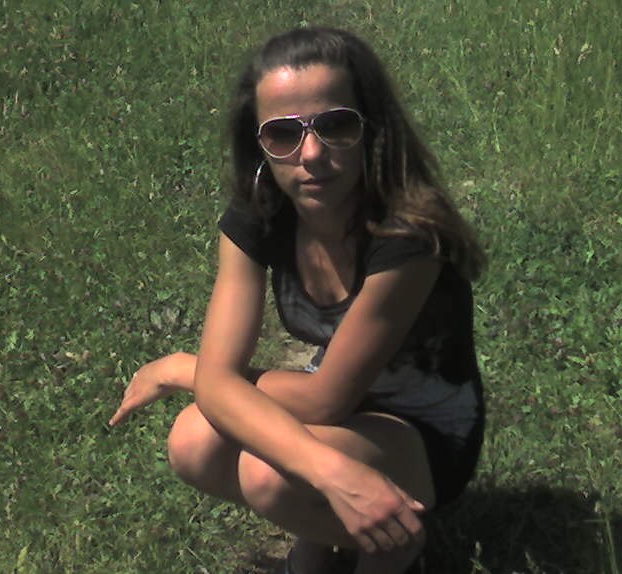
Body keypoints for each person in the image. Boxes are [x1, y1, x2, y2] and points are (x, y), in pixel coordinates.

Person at [109, 27, 486, 574]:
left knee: (268, 472)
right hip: (342, 411)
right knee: (193, 440)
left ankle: (397, 544)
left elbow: (325, 401)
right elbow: (226, 385)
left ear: (371, 128)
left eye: (336, 126)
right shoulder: (260, 216)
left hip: (422, 435)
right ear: (258, 143)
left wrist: (187, 369)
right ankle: (322, 541)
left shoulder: (407, 237)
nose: (311, 154)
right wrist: (330, 471)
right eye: (282, 134)